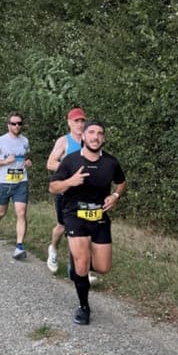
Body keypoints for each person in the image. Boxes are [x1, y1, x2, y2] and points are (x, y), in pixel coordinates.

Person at [49, 120, 126, 325]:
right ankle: (84, 308)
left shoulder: (111, 162)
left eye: (100, 133)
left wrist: (115, 197)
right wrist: (69, 182)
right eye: (91, 132)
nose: (95, 137)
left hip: (99, 216)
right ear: (83, 136)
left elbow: (121, 182)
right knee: (82, 266)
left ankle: (78, 258)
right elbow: (53, 187)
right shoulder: (71, 161)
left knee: (103, 267)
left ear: (103, 138)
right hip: (75, 215)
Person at [45, 107, 87, 276]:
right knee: (63, 226)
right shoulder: (64, 141)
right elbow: (50, 163)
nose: (80, 124)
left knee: (83, 228)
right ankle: (53, 250)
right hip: (66, 191)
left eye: (82, 120)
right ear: (69, 123)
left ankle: (78, 267)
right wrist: (70, 171)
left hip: (85, 194)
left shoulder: (90, 140)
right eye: (76, 121)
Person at [0, 112, 32, 259]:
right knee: (1, 212)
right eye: (14, 123)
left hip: (20, 182)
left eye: (19, 123)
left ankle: (19, 247)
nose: (17, 126)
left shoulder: (25, 140)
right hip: (4, 182)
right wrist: (5, 162)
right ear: (8, 125)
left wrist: (27, 162)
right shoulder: (1, 141)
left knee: (21, 212)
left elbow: (26, 157)